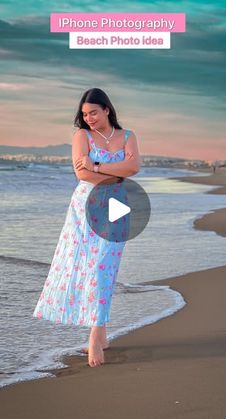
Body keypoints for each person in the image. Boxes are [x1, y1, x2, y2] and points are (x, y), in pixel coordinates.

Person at [32, 87, 140, 367]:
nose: (89, 118)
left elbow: (134, 168)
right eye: (84, 114)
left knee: (105, 265)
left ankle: (95, 336)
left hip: (117, 204)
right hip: (85, 206)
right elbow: (82, 172)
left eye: (93, 112)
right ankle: (100, 334)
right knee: (88, 267)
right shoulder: (82, 136)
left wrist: (98, 164)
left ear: (106, 109)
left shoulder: (128, 136)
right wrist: (111, 167)